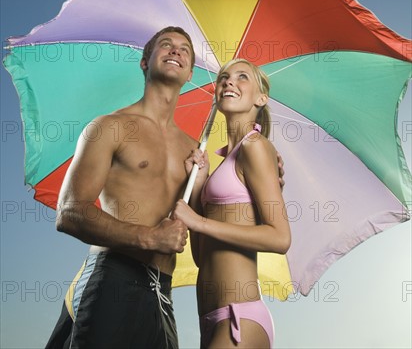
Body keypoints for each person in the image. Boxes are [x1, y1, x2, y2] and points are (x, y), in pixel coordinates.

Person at [46, 27, 198, 349]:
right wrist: (149, 237)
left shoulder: (194, 151)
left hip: (162, 292)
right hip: (113, 277)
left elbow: (206, 227)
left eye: (184, 49)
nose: (176, 51)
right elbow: (70, 213)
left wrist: (254, 167)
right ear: (145, 62)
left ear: (190, 74)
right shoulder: (109, 127)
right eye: (166, 45)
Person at [173, 58, 291, 348]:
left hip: (240, 317)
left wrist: (197, 220)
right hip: (212, 318)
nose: (228, 81)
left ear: (261, 98)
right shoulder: (225, 160)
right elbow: (204, 257)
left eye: (242, 77)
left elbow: (280, 237)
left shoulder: (255, 146)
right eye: (224, 77)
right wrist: (199, 186)